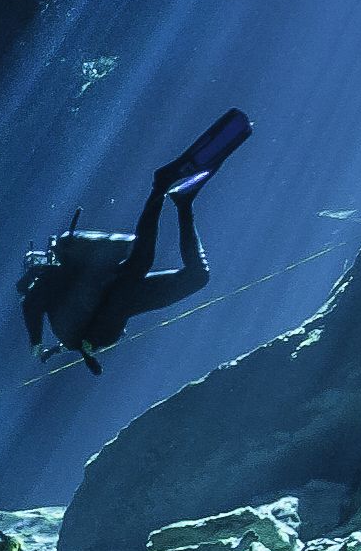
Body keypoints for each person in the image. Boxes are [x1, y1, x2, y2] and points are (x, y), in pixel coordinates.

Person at [19, 111, 249, 374]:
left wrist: (36, 341)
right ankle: (182, 202)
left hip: (116, 297)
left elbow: (31, 304)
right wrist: (51, 345)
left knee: (151, 263)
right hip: (118, 296)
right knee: (183, 272)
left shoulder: (49, 286)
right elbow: (41, 307)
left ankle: (162, 188)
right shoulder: (62, 304)